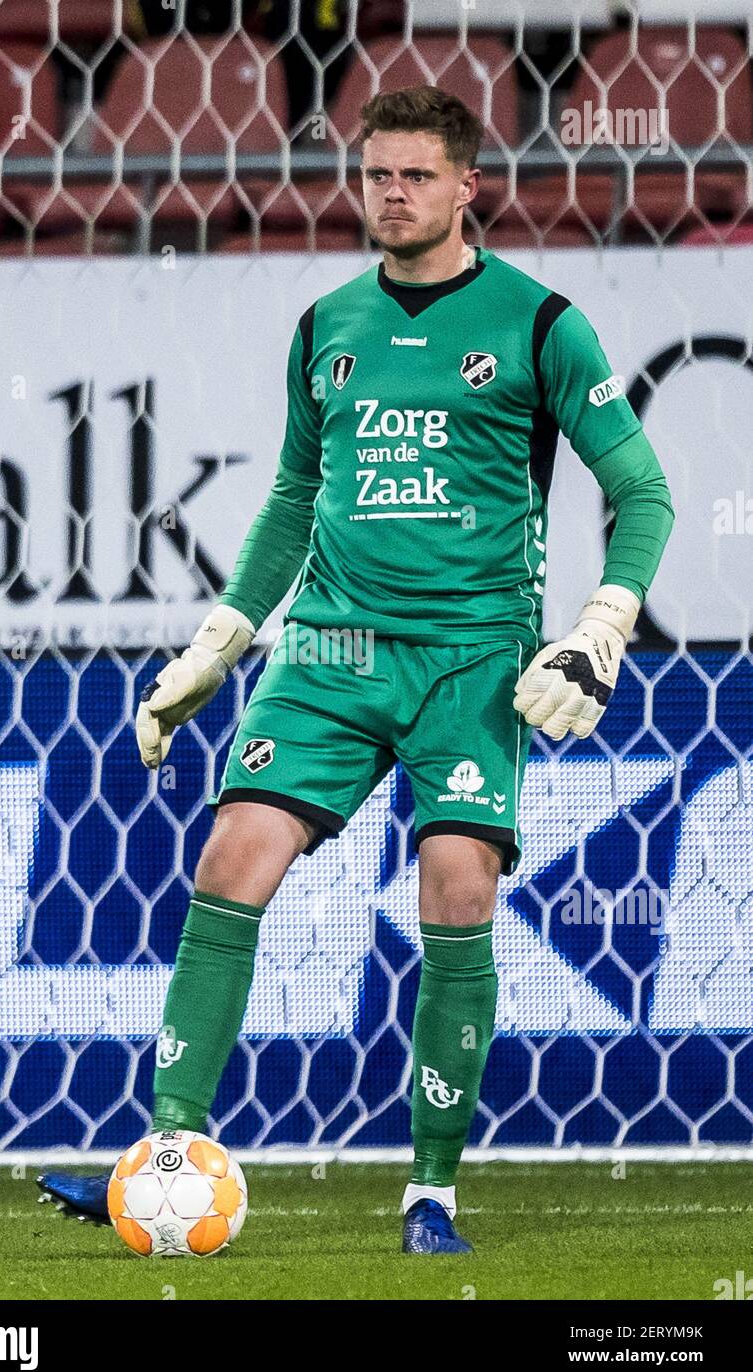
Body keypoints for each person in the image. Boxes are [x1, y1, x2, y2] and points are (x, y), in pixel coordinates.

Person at [37, 84, 674, 1254]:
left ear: (466, 185)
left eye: (415, 175)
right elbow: (293, 493)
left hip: (469, 660)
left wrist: (595, 630)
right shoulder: (326, 324)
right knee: (230, 857)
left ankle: (428, 1192)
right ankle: (166, 1153)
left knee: (456, 890)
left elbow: (640, 492)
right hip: (327, 649)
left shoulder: (539, 324)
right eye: (375, 172)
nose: (390, 191)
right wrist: (218, 640)